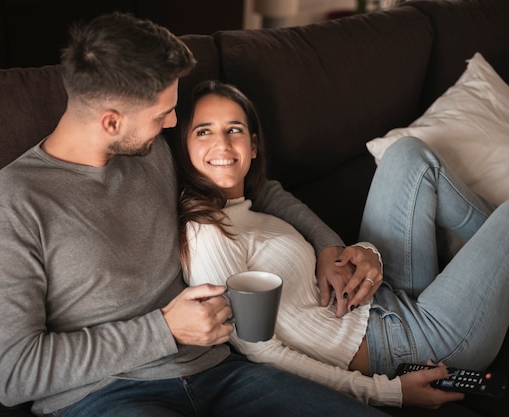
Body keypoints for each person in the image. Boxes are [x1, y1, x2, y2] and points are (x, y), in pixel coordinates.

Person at [0, 12, 389, 417]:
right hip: (102, 396)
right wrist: (164, 330)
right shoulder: (12, 204)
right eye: (161, 114)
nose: (173, 123)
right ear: (111, 122)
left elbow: (260, 187)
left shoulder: (152, 154)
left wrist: (328, 245)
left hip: (220, 373)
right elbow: (14, 374)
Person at [176, 80, 509, 408]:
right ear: (184, 148)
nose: (222, 143)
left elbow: (330, 263)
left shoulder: (252, 207)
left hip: (378, 300)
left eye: (233, 129)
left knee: (408, 155)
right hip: (407, 344)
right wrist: (387, 392)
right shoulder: (207, 232)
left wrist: (368, 253)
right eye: (203, 131)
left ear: (253, 146)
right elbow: (260, 351)